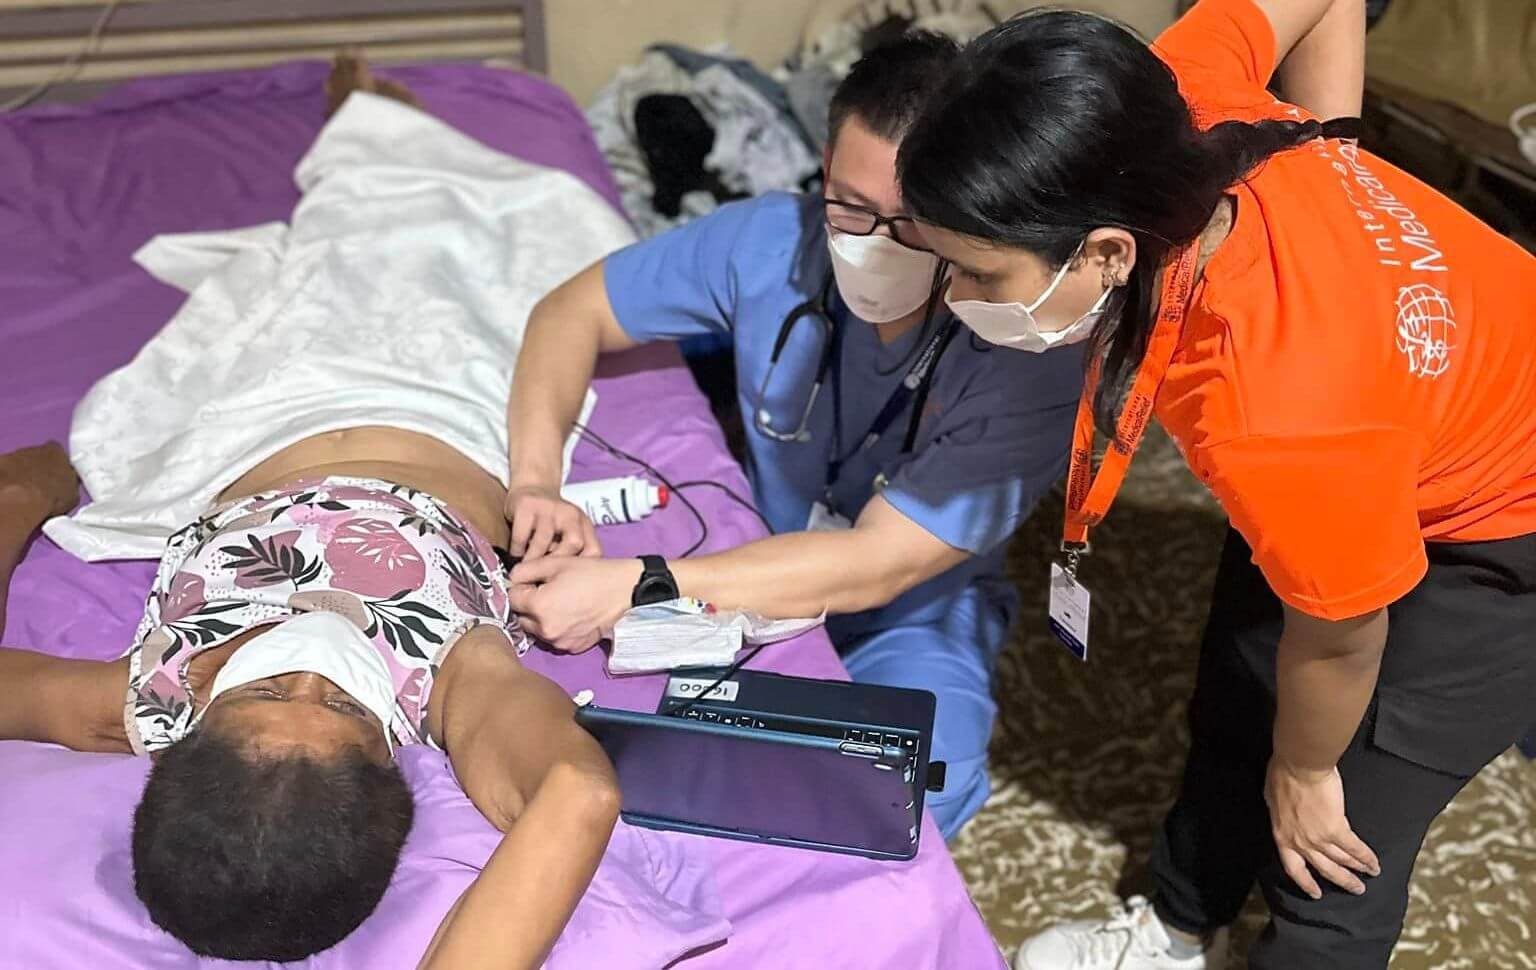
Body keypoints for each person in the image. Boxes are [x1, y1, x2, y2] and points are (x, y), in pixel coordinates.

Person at [896, 0, 1536, 967]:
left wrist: (1307, 765)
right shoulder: (1161, 100)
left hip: (1504, 515)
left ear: (1110, 251)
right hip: (1390, 425)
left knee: (1334, 842)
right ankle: (1180, 926)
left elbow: (1346, 633)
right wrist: (1338, 149)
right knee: (1240, 686)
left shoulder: (1275, 413)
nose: (959, 299)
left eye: (980, 274)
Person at [0, 56, 621, 968]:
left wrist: (19, 501)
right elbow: (578, 794)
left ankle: (364, 137)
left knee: (319, 263)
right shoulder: (453, 686)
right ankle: (372, 132)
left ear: (188, 740)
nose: (307, 663)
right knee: (439, 240)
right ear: (390, 761)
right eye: (339, 702)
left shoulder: (156, 696)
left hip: (257, 408)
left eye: (262, 690)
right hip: (433, 399)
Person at [499, 32, 1084, 839]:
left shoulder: (1027, 349)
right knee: (625, 751)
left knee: (914, 787)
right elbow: (570, 312)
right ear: (822, 166)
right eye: (849, 205)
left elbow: (877, 565)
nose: (873, 244)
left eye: (910, 224)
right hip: (746, 566)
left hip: (907, 611)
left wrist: (641, 582)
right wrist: (535, 480)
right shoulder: (773, 241)